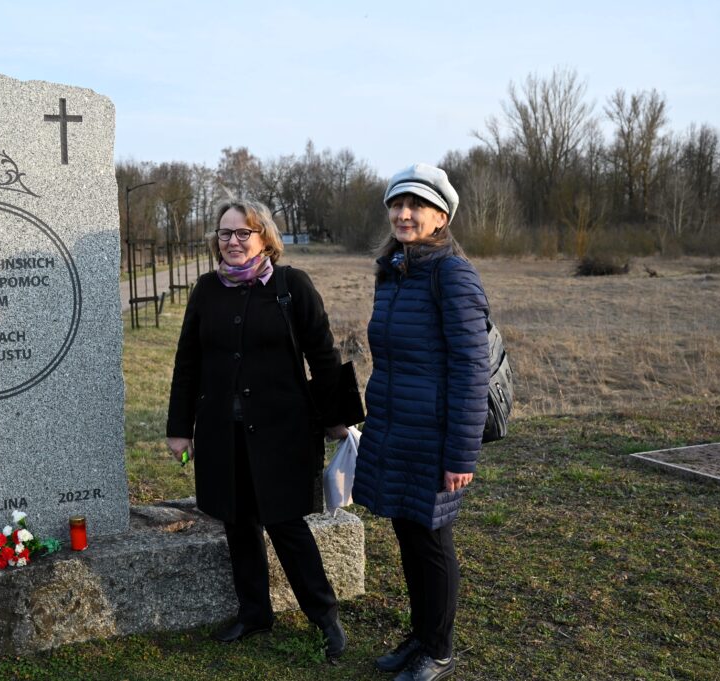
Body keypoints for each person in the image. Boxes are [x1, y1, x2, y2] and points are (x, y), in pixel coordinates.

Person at [166, 199, 354, 661]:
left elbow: (324, 356)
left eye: (242, 233)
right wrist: (179, 428)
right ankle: (254, 614)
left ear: (264, 238)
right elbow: (188, 362)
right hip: (221, 432)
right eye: (224, 233)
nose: (232, 241)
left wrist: (337, 419)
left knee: (286, 523)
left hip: (282, 430)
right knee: (237, 522)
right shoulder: (207, 290)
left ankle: (325, 617)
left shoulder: (292, 286)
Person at [353, 164, 490, 681]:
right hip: (395, 428)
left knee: (432, 543)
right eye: (396, 204)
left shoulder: (451, 274)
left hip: (433, 436)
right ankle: (420, 634)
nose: (403, 214)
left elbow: (472, 369)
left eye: (416, 205)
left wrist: (460, 454)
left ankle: (439, 649)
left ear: (441, 217)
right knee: (409, 535)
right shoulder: (393, 271)